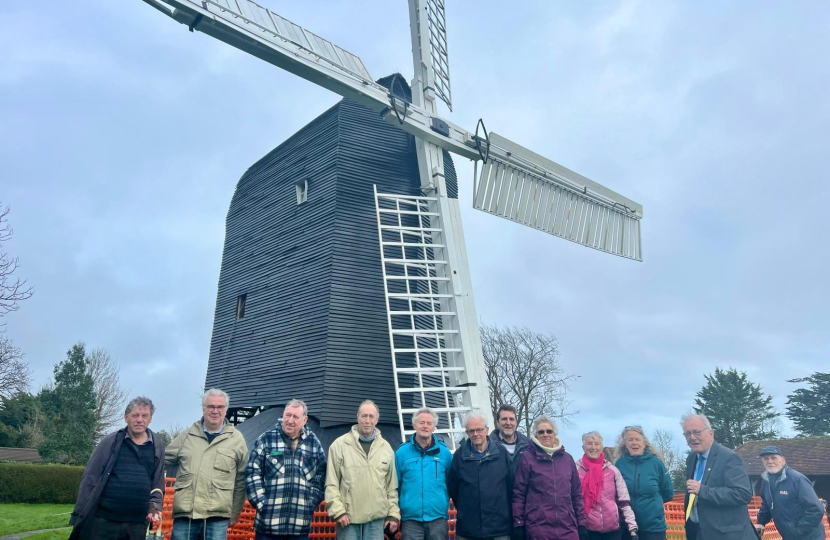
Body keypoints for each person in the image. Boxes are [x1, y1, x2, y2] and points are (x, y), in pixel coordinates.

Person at [69, 396, 165, 540]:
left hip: (138, 522)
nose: (139, 419)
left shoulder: (157, 446)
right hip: (105, 520)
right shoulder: (110, 442)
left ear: (150, 418)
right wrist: (79, 513)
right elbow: (90, 478)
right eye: (135, 415)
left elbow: (157, 481)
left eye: (144, 415)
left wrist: (155, 505)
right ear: (126, 417)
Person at [165, 388, 248, 540]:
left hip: (218, 517)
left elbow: (241, 479)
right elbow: (161, 461)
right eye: (210, 406)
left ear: (226, 409)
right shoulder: (187, 435)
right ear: (203, 408)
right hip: (185, 515)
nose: (215, 411)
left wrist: (234, 513)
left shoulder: (237, 440)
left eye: (220, 407)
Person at [246, 399, 326, 540]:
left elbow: (320, 477)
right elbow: (253, 473)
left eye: (295, 417)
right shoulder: (266, 439)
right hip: (267, 526)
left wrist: (310, 504)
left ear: (305, 420)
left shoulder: (314, 444)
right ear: (283, 415)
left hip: (299, 527)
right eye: (287, 415)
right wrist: (262, 504)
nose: (290, 420)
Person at [325, 400, 400, 539]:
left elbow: (391, 486)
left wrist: (393, 514)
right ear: (357, 417)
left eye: (371, 416)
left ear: (377, 420)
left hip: (376, 520)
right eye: (364, 416)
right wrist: (338, 511)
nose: (367, 420)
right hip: (348, 518)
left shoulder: (386, 448)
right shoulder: (339, 445)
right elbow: (331, 483)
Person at [681, 413, 755, 540]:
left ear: (711, 433)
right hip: (698, 532)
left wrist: (702, 490)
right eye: (687, 434)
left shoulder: (729, 458)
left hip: (727, 535)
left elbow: (742, 494)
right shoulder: (692, 459)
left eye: (697, 432)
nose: (692, 437)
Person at [512, 416, 587, 540]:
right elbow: (519, 493)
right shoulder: (527, 457)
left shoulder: (567, 459)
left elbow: (576, 494)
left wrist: (581, 523)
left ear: (554, 434)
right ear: (536, 435)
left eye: (549, 431)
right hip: (538, 527)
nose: (545, 434)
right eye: (541, 432)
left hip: (567, 527)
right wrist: (519, 523)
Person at [448, 412, 512, 540]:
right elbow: (453, 488)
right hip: (468, 529)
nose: (476, 434)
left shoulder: (502, 453)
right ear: (467, 432)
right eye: (472, 431)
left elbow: (510, 485)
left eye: (479, 429)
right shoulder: (459, 456)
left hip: (498, 528)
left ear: (486, 430)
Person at [395, 407, 453, 540]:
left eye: (429, 423)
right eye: (421, 423)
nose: (425, 426)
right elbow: (395, 485)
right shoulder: (401, 454)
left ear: (434, 427)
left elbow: (451, 483)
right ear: (414, 425)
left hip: (437, 518)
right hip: (411, 520)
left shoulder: (445, 454)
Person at [614, 426, 673, 540]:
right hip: (627, 527)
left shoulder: (656, 464)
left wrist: (651, 508)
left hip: (653, 527)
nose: (634, 443)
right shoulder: (619, 465)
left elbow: (668, 493)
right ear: (625, 444)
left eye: (637, 439)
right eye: (630, 440)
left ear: (644, 442)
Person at [576, 431, 638, 540]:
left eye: (597, 444)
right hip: (587, 530)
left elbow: (624, 501)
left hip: (612, 530)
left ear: (602, 447)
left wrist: (632, 528)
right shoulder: (575, 470)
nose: (593, 447)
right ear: (583, 447)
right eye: (589, 443)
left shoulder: (613, 470)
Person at [755, 445, 825, 540]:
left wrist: (798, 531)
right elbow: (767, 505)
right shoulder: (766, 481)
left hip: (809, 536)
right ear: (763, 462)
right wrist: (760, 522)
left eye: (773, 458)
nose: (770, 461)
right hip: (788, 535)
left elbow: (815, 509)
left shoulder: (797, 479)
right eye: (766, 458)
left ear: (783, 460)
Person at [490, 404, 530, 476]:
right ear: (497, 422)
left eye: (511, 419)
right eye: (504, 419)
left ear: (516, 422)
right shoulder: (488, 447)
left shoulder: (528, 446)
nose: (508, 423)